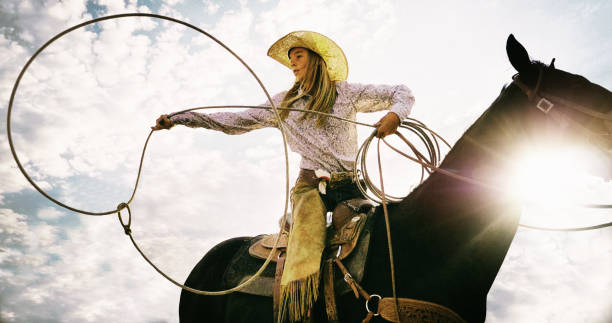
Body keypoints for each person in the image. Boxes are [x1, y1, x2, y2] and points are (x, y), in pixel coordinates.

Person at [152, 30, 414, 322]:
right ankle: (296, 312)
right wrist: (179, 119)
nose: (292, 63)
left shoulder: (346, 93)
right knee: (306, 252)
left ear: (314, 60)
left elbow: (400, 92)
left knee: (378, 235)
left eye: (298, 56)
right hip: (310, 190)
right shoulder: (284, 104)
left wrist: (396, 116)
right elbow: (236, 121)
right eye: (290, 59)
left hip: (350, 187)